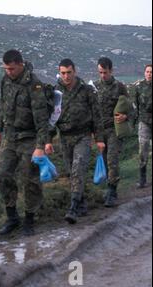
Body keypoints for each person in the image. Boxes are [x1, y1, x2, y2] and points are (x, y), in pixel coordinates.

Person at [0, 50, 51, 237]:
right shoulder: (5, 80)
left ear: (20, 64)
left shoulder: (34, 85)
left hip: (29, 138)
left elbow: (42, 120)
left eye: (11, 68)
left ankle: (29, 219)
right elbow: (3, 104)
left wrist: (40, 146)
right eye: (6, 68)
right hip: (10, 135)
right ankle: (12, 217)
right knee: (2, 175)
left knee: (29, 180)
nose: (8, 71)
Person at [46, 59, 105, 224]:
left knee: (78, 168)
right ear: (60, 72)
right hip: (64, 137)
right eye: (63, 73)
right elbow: (51, 118)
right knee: (71, 171)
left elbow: (96, 115)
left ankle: (72, 208)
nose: (66, 76)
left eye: (69, 72)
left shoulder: (86, 90)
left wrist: (99, 138)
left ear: (75, 71)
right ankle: (82, 202)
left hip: (83, 135)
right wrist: (48, 140)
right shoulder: (56, 92)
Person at [94, 57, 130, 207]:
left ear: (111, 70)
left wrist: (126, 116)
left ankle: (112, 191)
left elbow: (130, 107)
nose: (103, 75)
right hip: (100, 131)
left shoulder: (119, 87)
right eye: (100, 72)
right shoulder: (94, 87)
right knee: (104, 159)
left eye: (105, 72)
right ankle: (108, 189)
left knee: (112, 159)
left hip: (114, 130)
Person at [132, 64, 152, 188]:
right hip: (144, 122)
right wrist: (133, 122)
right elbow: (135, 106)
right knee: (143, 152)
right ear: (144, 73)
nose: (149, 73)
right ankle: (142, 179)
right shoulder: (139, 87)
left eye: (151, 71)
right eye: (147, 71)